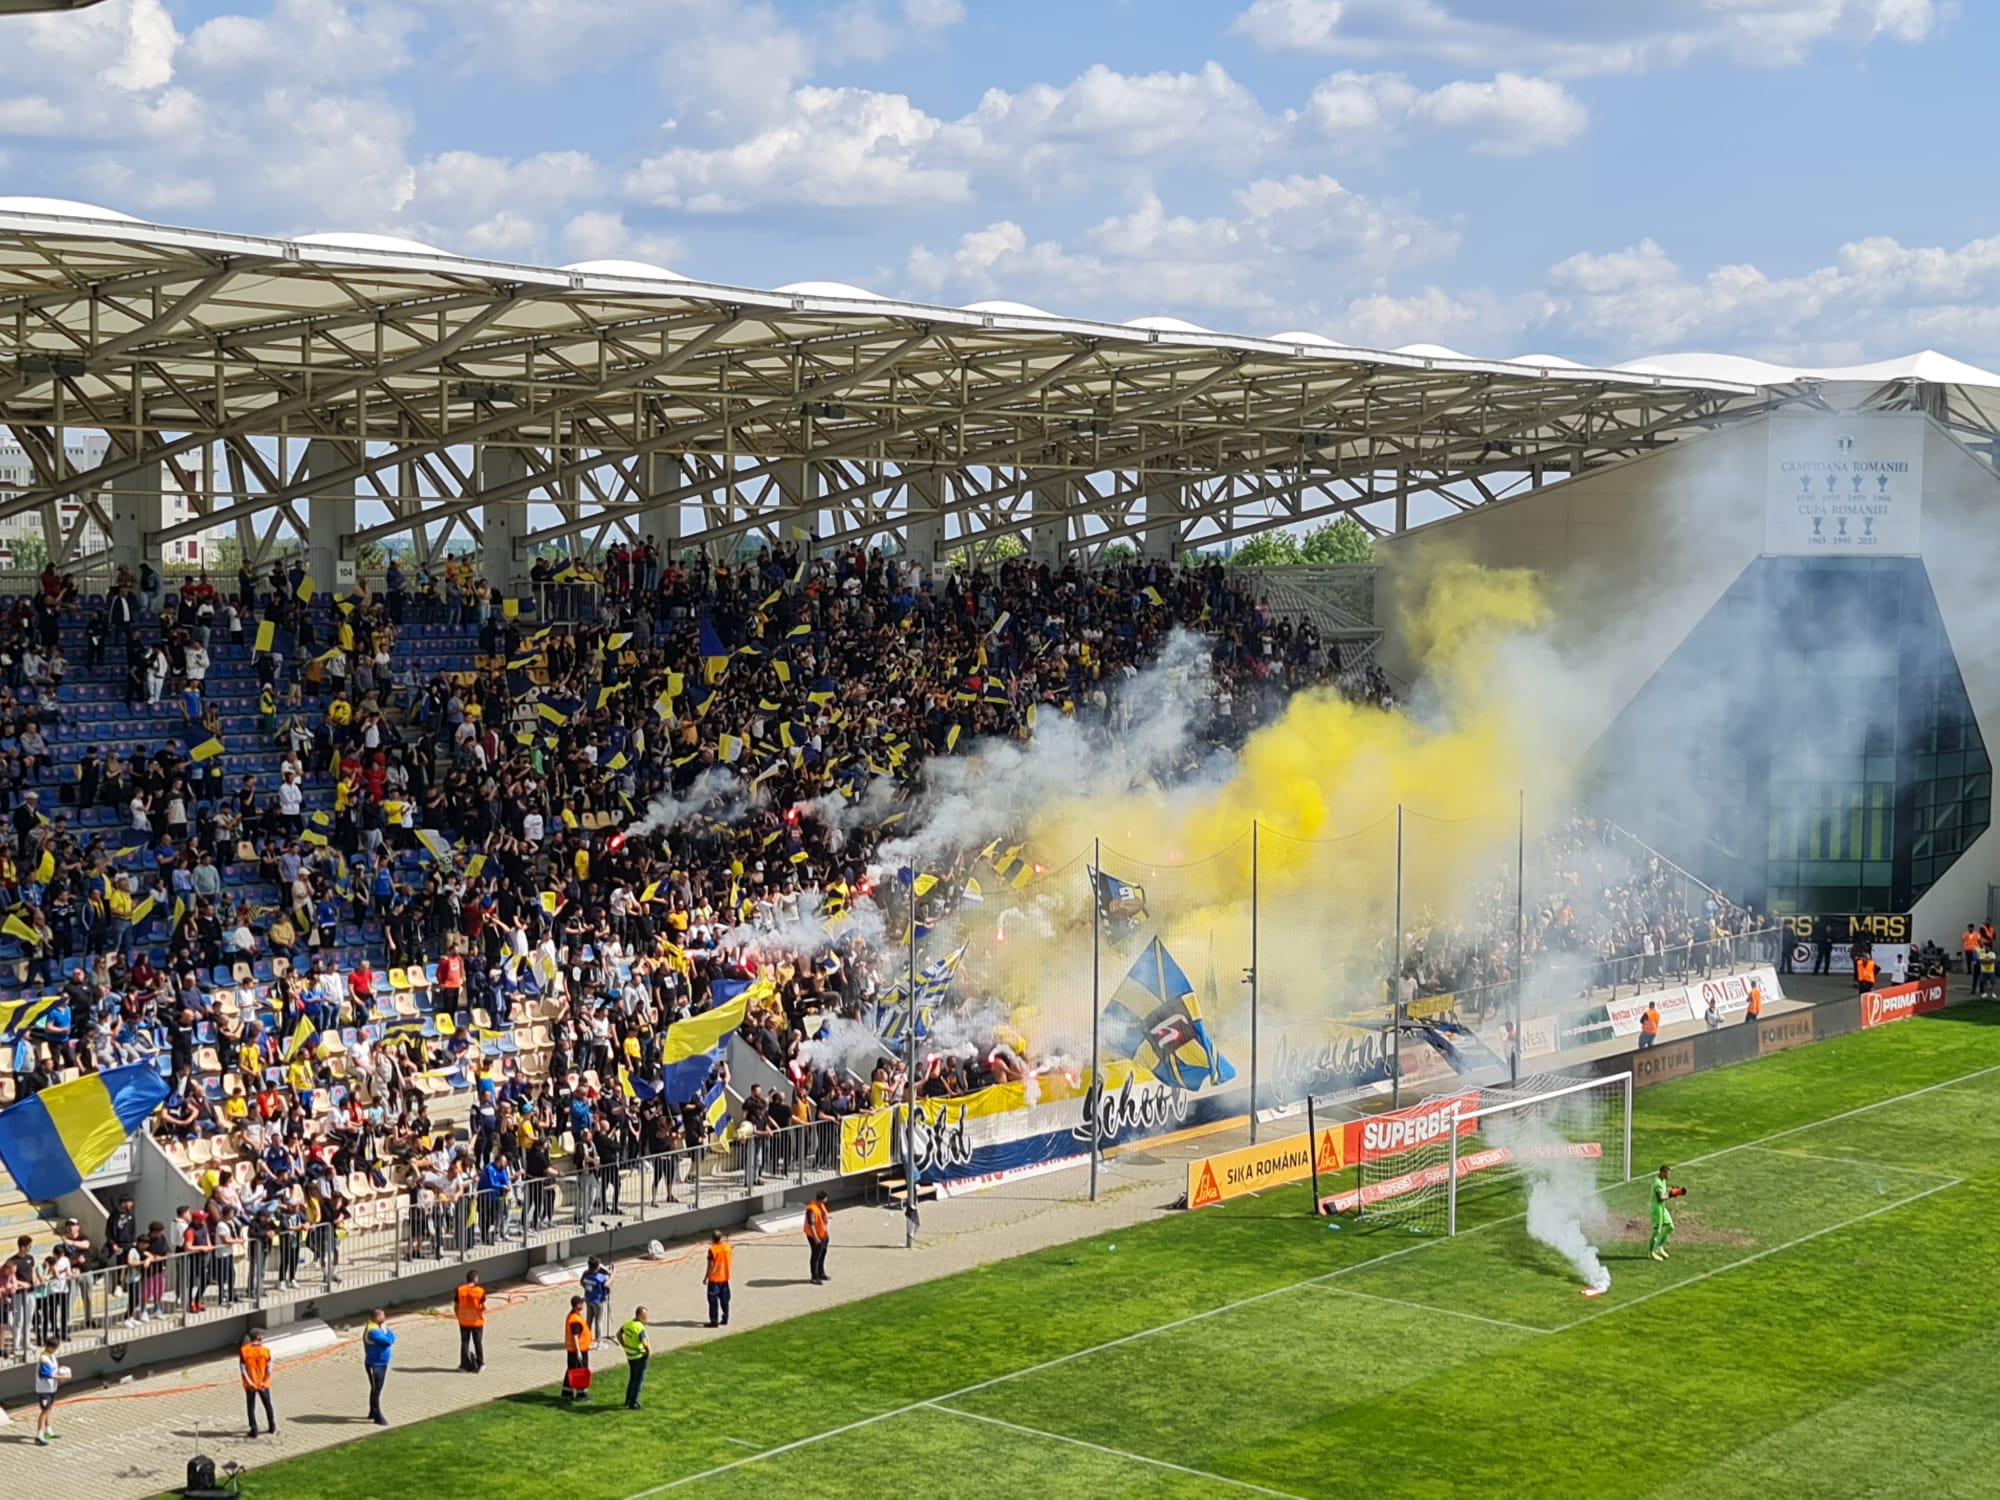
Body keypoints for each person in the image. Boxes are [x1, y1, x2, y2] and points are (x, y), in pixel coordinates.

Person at [240, 1328, 276, 1438]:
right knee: (267, 1404)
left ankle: (254, 1429)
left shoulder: (244, 1350)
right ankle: (271, 1426)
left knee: (251, 1406)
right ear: (258, 1337)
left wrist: (250, 1382)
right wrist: (264, 1382)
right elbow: (269, 1369)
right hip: (263, 1384)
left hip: (250, 1385)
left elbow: (243, 1369)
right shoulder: (265, 1350)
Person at [362, 1308, 394, 1425]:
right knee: (376, 1390)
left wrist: (387, 1332)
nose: (385, 1318)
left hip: (380, 1364)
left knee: (376, 1389)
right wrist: (390, 1333)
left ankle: (372, 1412)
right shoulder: (373, 1332)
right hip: (375, 1365)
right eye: (382, 1316)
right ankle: (377, 1416)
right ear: (376, 1318)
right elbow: (388, 1341)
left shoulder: (377, 1328)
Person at [1650, 1165, 1686, 1261]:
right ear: (1662, 1172)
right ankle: (1652, 1252)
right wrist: (1671, 1194)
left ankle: (1659, 1247)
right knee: (1657, 1231)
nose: (1668, 1175)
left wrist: (1674, 1190)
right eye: (1667, 1173)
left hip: (1662, 1208)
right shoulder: (1657, 1183)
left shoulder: (1663, 1180)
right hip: (1657, 1209)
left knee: (1670, 1226)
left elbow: (1664, 1192)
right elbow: (1660, 1198)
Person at [618, 1305, 650, 1411]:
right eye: (645, 1316)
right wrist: (648, 1352)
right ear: (639, 1315)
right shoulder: (640, 1328)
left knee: (632, 1379)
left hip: (630, 1356)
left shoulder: (628, 1324)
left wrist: (624, 1345)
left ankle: (628, 1400)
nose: (646, 1318)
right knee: (638, 1380)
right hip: (639, 1356)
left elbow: (618, 1334)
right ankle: (633, 1402)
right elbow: (645, 1343)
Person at [455, 1269, 487, 1374]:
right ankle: (481, 1363)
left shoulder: (460, 1290)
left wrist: (458, 1316)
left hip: (463, 1321)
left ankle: (464, 1366)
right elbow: (483, 1306)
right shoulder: (480, 1291)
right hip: (477, 1322)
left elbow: (456, 1306)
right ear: (476, 1279)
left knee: (465, 1342)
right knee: (478, 1342)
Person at [562, 1294, 592, 1401]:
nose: (583, 1305)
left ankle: (567, 1391)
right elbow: (575, 1336)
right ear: (577, 1305)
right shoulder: (575, 1319)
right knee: (580, 1371)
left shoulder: (573, 1315)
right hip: (578, 1349)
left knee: (571, 1369)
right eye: (581, 1303)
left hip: (573, 1350)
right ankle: (581, 1394)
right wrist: (579, 1351)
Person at [33, 1340, 62, 1446]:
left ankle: (48, 1431)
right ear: (49, 1347)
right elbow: (46, 1374)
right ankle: (39, 1435)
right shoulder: (44, 1358)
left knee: (49, 1408)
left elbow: (54, 1370)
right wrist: (62, 1378)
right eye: (54, 1347)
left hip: (51, 1388)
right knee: (44, 1411)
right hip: (44, 1389)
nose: (55, 1350)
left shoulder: (51, 1356)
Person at [704, 1229, 732, 1328]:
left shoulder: (712, 1250)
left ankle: (714, 1321)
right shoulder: (727, 1247)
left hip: (714, 1279)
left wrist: (705, 1277)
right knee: (725, 1299)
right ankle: (725, 1318)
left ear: (712, 1238)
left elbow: (710, 1266)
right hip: (725, 1277)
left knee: (713, 1301)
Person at [581, 1255, 612, 1344]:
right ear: (597, 1266)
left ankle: (587, 1338)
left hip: (588, 1299)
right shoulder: (600, 1277)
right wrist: (612, 1275)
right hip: (598, 1302)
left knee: (589, 1320)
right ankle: (599, 1341)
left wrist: (587, 1288)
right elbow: (606, 1284)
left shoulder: (586, 1274)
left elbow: (581, 1282)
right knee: (598, 1321)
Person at [805, 1190, 831, 1284]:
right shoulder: (811, 1209)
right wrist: (816, 1238)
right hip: (814, 1236)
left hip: (823, 1234)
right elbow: (811, 1225)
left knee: (822, 1253)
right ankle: (814, 1276)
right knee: (816, 1255)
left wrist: (826, 1233)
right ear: (822, 1199)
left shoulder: (821, 1206)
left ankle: (821, 1273)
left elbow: (823, 1220)